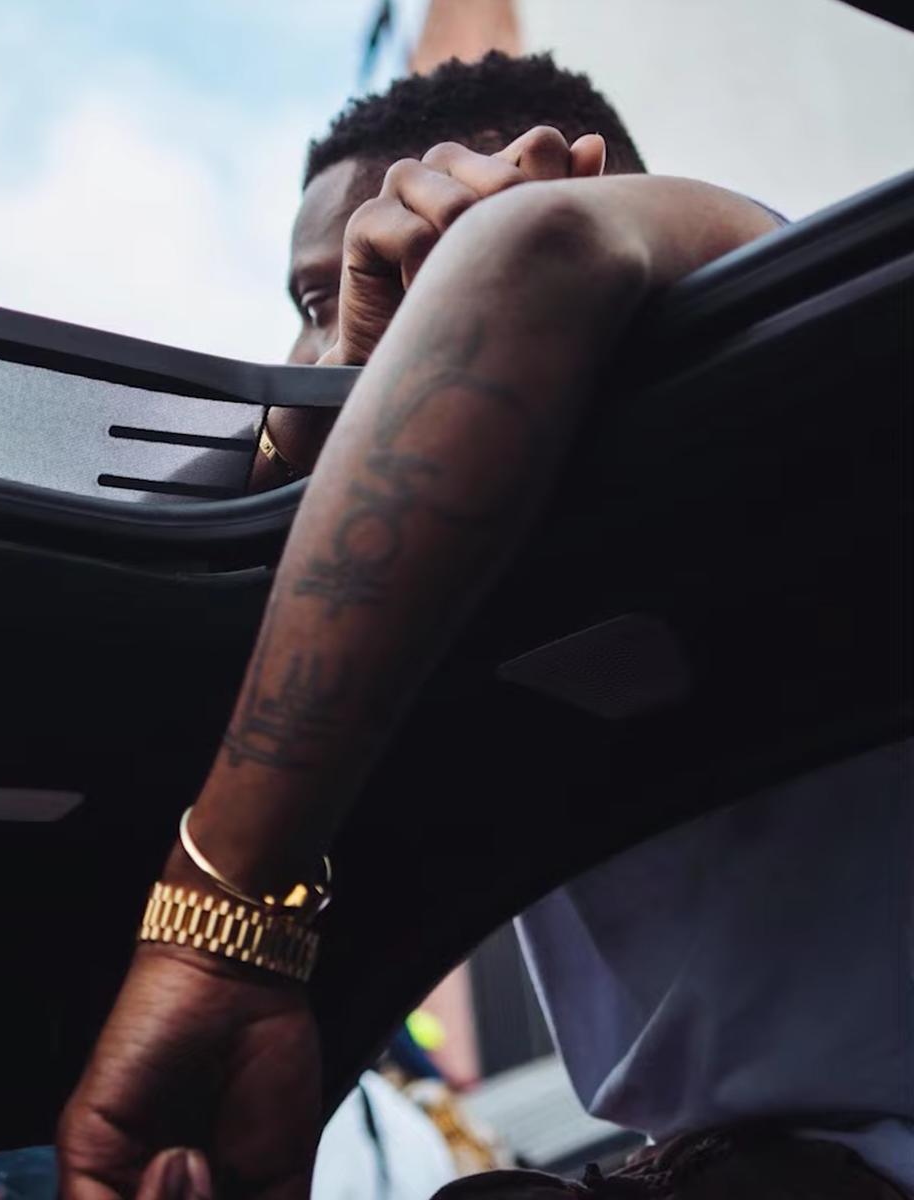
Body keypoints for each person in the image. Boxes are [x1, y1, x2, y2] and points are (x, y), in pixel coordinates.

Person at [57, 53, 912, 1200]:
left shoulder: (767, 298)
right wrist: (295, 430)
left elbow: (542, 250)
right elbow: (150, 569)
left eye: (321, 298)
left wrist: (213, 929)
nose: (312, 352)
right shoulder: (484, 575)